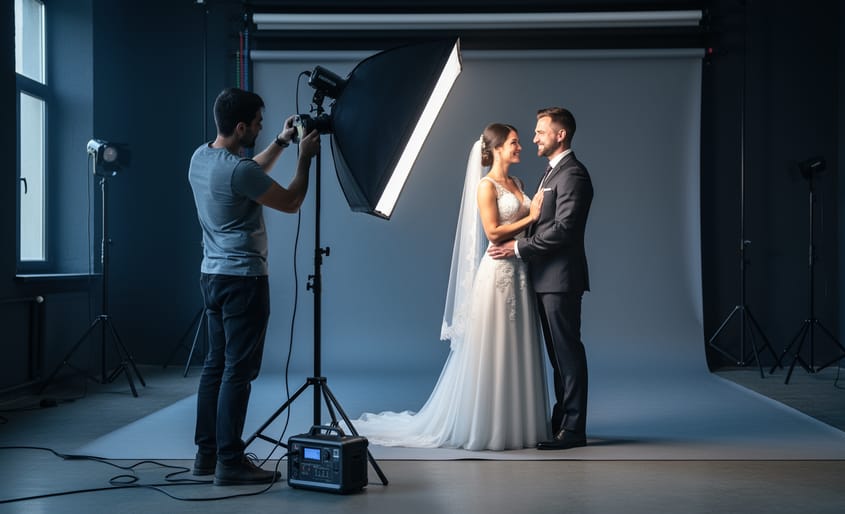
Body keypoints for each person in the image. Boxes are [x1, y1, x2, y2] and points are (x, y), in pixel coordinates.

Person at [345, 123, 550, 451]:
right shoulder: (486, 186)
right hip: (498, 274)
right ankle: (490, 428)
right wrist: (532, 215)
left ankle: (519, 426)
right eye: (514, 143)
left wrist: (535, 219)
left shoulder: (519, 183)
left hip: (520, 273)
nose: (520, 148)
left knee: (518, 347)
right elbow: (494, 232)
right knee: (495, 350)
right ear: (496, 148)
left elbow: (522, 230)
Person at [188, 87, 320, 484]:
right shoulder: (239, 170)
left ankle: (206, 456)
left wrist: (281, 142)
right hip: (244, 280)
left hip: (212, 276)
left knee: (215, 366)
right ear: (241, 126)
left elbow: (248, 175)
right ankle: (230, 461)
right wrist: (303, 158)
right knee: (238, 372)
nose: (263, 128)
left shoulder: (201, 157)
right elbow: (292, 201)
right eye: (260, 124)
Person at [488, 107, 593, 450]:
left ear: (560, 135)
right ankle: (561, 421)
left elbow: (563, 231)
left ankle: (574, 429)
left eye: (540, 132)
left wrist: (519, 249)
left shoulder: (573, 174)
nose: (534, 138)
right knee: (557, 356)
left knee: (567, 353)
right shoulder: (552, 173)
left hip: (560, 280)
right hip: (543, 278)